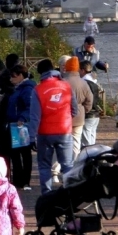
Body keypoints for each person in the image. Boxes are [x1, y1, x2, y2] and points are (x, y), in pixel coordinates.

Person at [29, 59, 77, 194]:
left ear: (40, 74)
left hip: (45, 133)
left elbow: (34, 117)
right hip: (64, 131)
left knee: (44, 166)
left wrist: (32, 137)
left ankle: (47, 195)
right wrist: (66, 119)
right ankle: (70, 195)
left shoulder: (38, 90)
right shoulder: (66, 86)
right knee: (67, 165)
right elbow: (75, 109)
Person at [7, 64, 35, 190]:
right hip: (15, 125)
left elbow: (30, 106)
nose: (10, 79)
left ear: (20, 76)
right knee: (16, 153)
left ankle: (24, 181)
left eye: (13, 76)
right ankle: (19, 180)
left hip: (21, 125)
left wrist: (22, 118)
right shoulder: (19, 88)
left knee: (23, 153)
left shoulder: (26, 89)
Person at [0, 53, 19, 161]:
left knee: (2, 147)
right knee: (16, 149)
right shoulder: (20, 76)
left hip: (2, 115)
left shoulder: (1, 77)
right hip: (16, 117)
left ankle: (4, 172)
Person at [64, 57, 93, 159]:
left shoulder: (63, 82)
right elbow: (89, 99)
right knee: (76, 142)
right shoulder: (83, 82)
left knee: (63, 143)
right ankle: (75, 164)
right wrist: (84, 110)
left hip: (64, 117)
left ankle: (59, 167)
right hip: (79, 116)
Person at [80, 60, 105, 147]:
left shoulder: (84, 82)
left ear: (82, 70)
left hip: (88, 114)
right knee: (92, 139)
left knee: (86, 143)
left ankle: (87, 158)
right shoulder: (94, 81)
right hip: (96, 114)